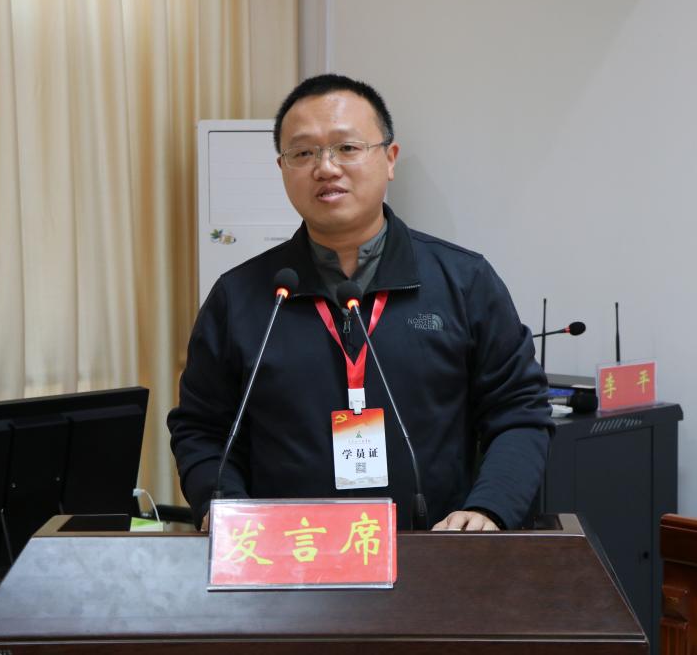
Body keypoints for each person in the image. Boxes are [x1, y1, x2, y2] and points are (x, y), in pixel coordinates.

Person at [168, 74, 552, 532]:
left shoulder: (463, 281)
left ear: (390, 159)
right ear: (282, 168)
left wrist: (489, 509)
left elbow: (519, 412)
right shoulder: (241, 296)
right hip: (290, 554)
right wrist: (227, 509)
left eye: (347, 147)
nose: (326, 167)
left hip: (434, 552)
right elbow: (202, 429)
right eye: (303, 153)